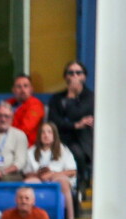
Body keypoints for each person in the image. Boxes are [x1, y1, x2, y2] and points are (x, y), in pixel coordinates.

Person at [24, 122, 81, 219]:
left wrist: (52, 174)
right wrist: (39, 175)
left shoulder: (63, 149)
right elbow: (26, 173)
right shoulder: (31, 151)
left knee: (62, 181)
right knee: (27, 183)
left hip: (58, 179)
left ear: (54, 135)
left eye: (49, 132)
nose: (46, 135)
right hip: (39, 179)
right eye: (43, 132)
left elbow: (72, 171)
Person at [48, 60, 94, 189]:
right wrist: (75, 125)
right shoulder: (57, 98)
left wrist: (71, 97)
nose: (74, 76)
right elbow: (54, 121)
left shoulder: (90, 97)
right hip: (62, 138)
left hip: (84, 140)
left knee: (77, 153)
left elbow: (76, 114)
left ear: (84, 76)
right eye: (71, 73)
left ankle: (82, 181)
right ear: (65, 76)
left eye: (78, 73)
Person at [5, 74, 44, 147]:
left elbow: (25, 129)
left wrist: (3, 134)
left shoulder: (35, 105)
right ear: (13, 90)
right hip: (5, 143)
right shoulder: (8, 103)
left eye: (25, 86)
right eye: (19, 87)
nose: (22, 90)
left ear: (31, 89)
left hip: (27, 146)